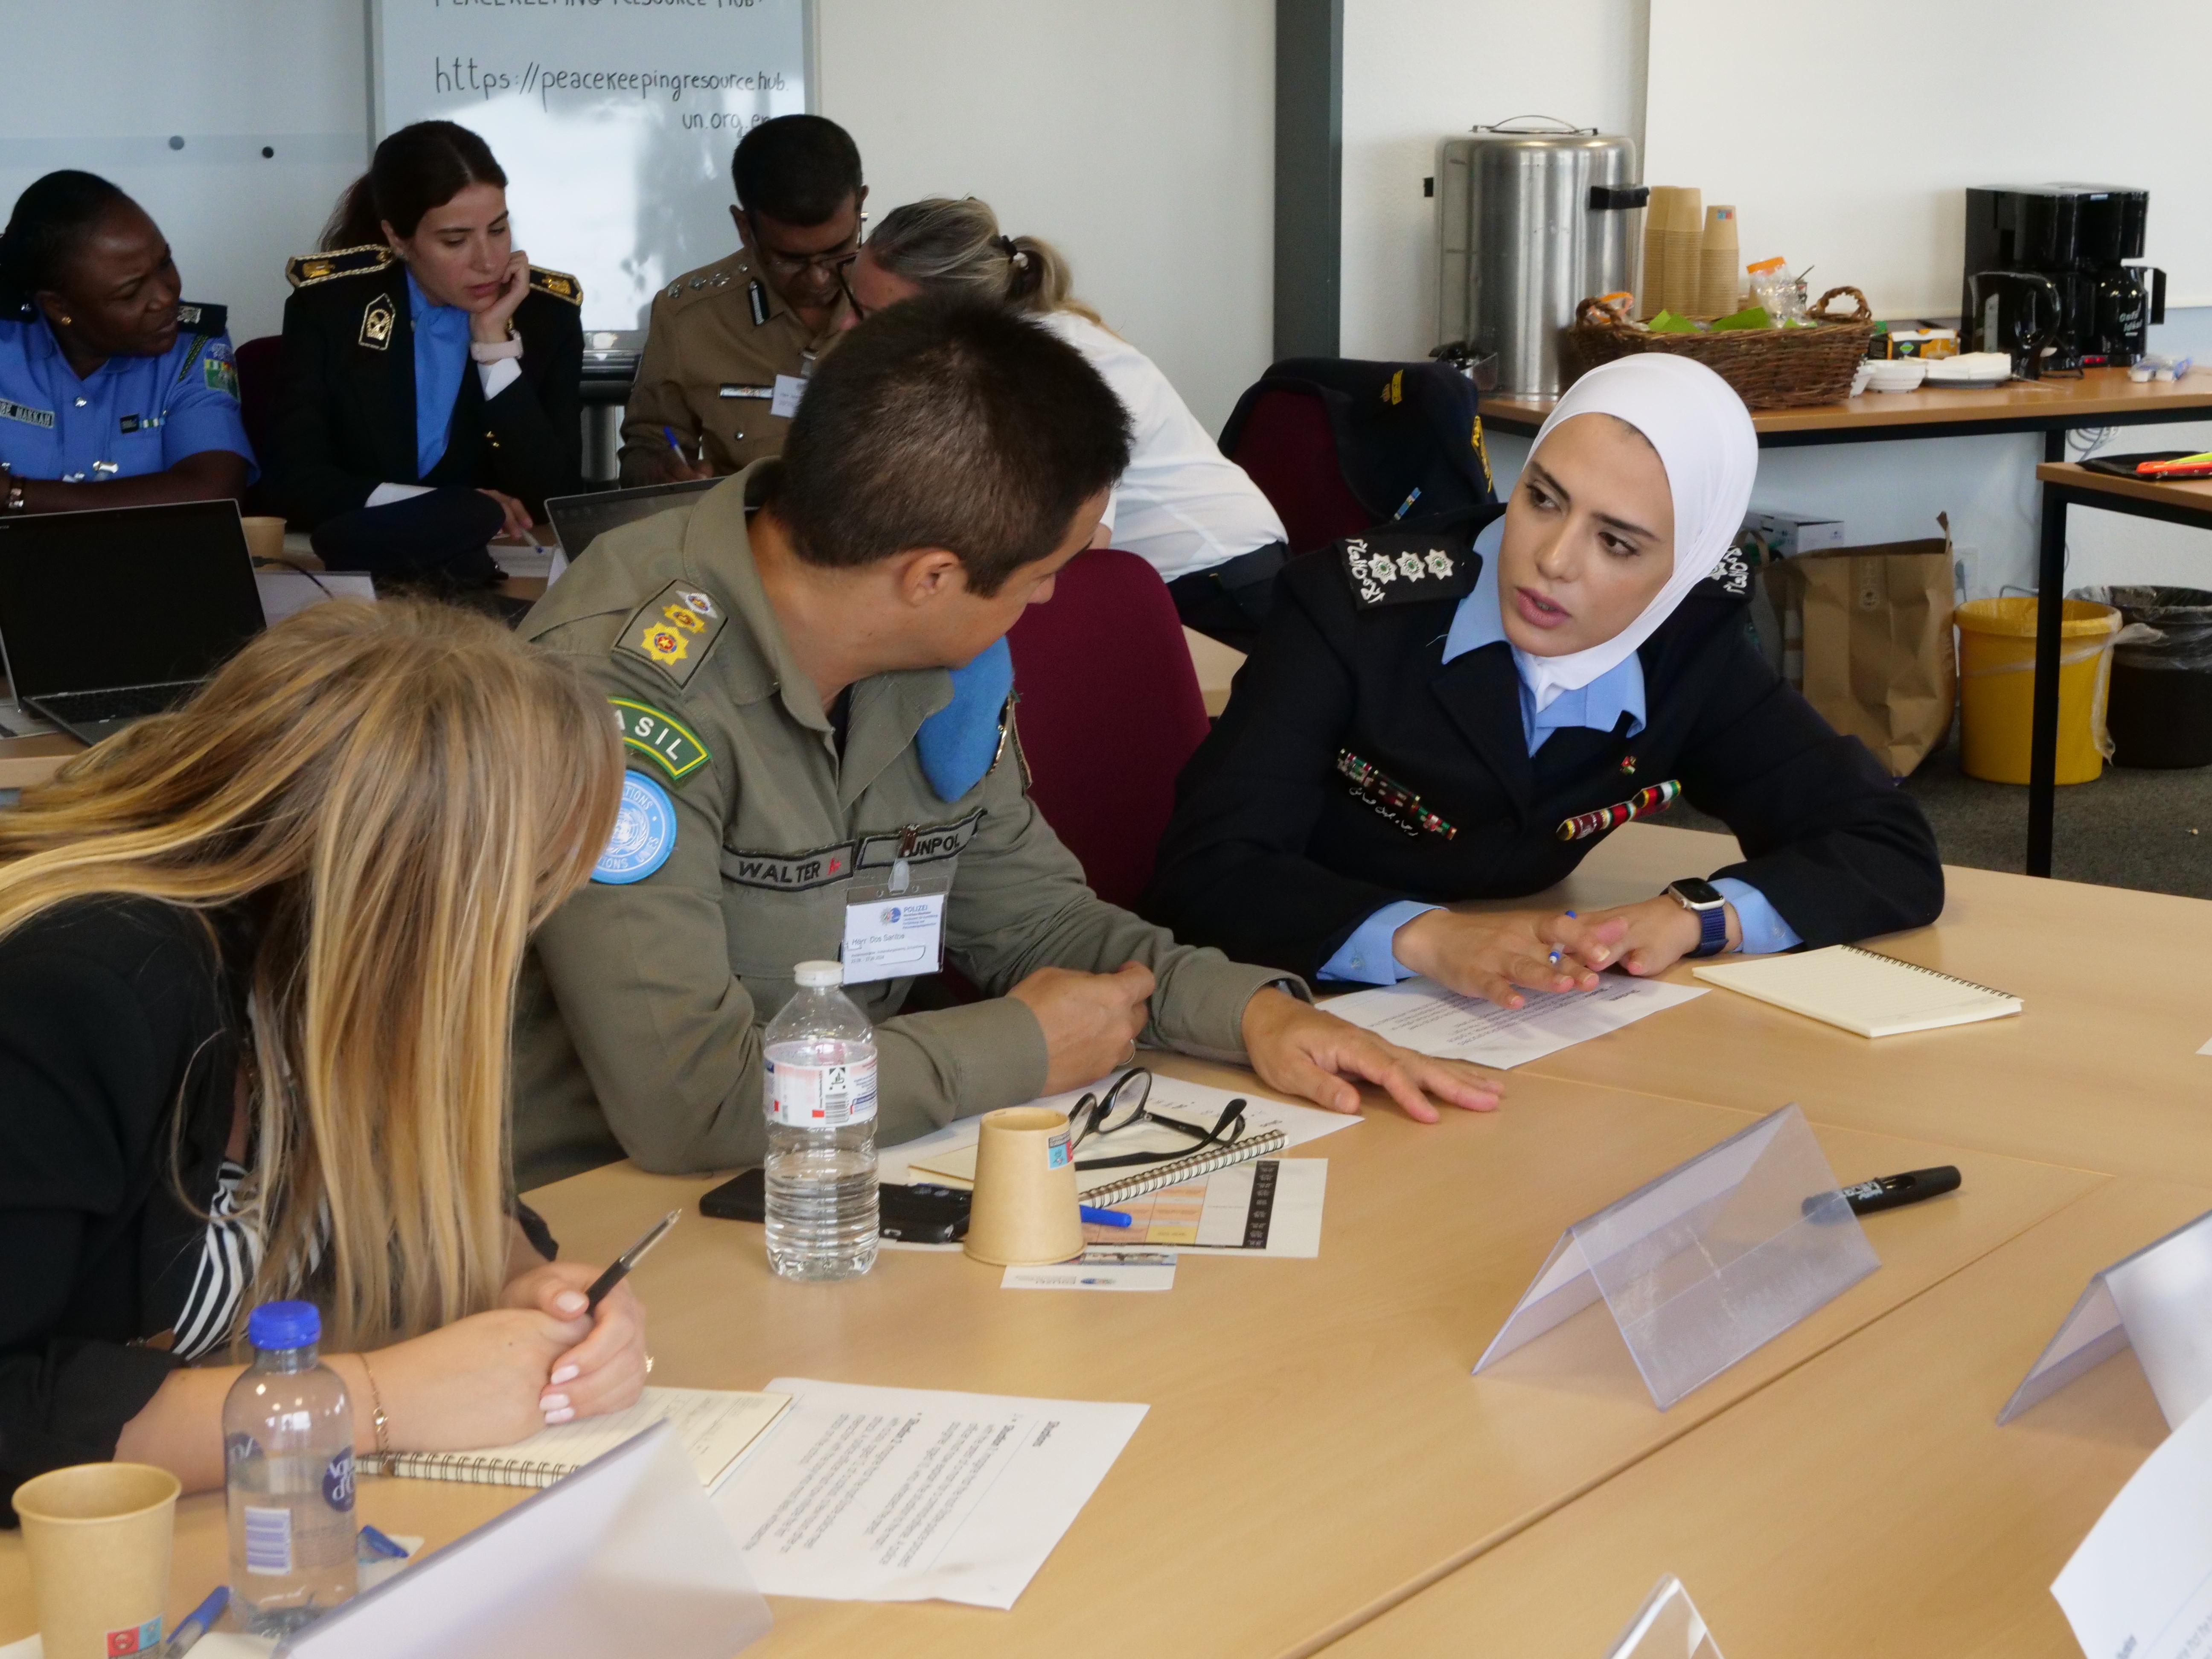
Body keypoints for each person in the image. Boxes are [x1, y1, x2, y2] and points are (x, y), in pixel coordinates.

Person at [513, 296, 1499, 1189]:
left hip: (839, 1168)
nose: (1051, 599)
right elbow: (690, 1100)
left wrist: (1254, 1014)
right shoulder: (619, 699)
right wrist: (1017, 1045)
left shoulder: (927, 654)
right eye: (1041, 572)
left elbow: (1035, 923)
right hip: (603, 1218)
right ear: (930, 577)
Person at [0, 600, 645, 1517]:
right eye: (525, 886)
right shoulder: (85, 989)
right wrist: (368, 1403)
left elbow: (401, 1184)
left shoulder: (309, 963)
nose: (527, 927)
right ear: (418, 886)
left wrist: (521, 1284)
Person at [1142, 355, 1944, 1003]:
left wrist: (1696, 917)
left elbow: (1882, 843)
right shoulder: (1350, 610)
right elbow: (1209, 866)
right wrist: (1422, 935)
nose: (1552, 560)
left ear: (1683, 566)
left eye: (1618, 544)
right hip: (1309, 986)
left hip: (1530, 1017)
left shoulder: (1686, 641)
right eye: (1541, 498)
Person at [846, 197, 1289, 650]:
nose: (847, 326)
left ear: (955, 311)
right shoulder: (986, 351)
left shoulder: (1050, 366)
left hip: (1218, 580)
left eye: (875, 317)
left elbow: (1079, 540)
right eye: (852, 302)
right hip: (1172, 577)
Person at [263, 121, 582, 580]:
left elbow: (557, 496)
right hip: (362, 578)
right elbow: (292, 482)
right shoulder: (331, 308)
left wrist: (495, 347)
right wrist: (445, 508)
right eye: (455, 240)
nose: (488, 261)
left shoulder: (546, 317)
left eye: (498, 229)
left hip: (493, 577)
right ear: (397, 238)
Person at [618, 115, 864, 486]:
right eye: (790, 260)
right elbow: (647, 448)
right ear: (744, 227)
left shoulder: (907, 299)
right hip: (744, 539)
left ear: (860, 204)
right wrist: (660, 472)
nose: (818, 277)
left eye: (838, 252)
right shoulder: (690, 317)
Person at [0, 171, 252, 516]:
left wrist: (16, 494)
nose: (166, 298)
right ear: (59, 307)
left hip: (149, 569)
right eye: (131, 292)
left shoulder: (194, 347)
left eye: (165, 263)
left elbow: (215, 493)